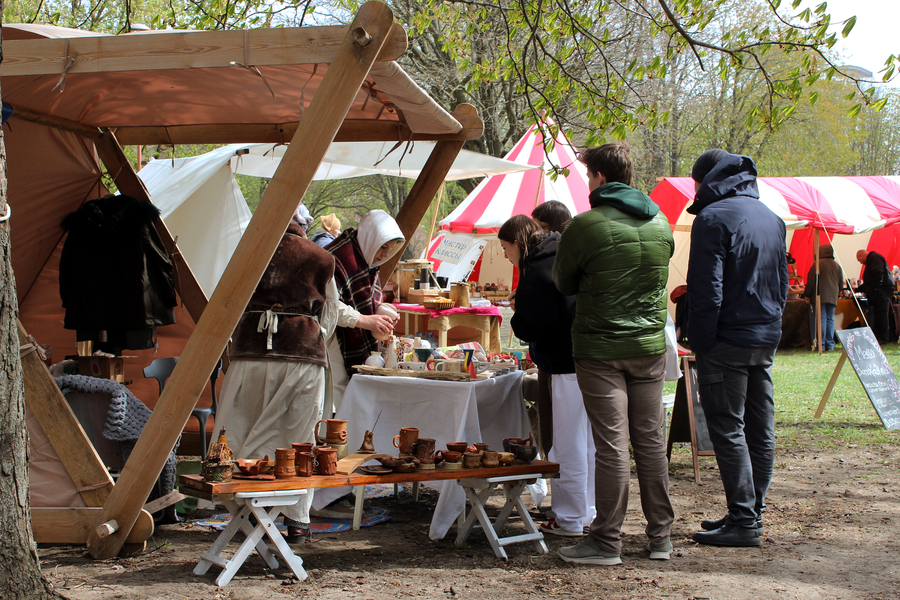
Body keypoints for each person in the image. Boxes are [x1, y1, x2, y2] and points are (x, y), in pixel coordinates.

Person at [215, 204, 392, 539]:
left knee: (238, 424)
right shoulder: (321, 258)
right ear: (304, 226)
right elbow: (326, 315)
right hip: (301, 356)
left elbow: (229, 300)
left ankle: (245, 507)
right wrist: (309, 335)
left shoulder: (248, 252)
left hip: (249, 353)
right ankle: (296, 519)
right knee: (298, 437)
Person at [552, 142, 675, 565]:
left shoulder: (585, 226)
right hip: (648, 347)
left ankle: (606, 542)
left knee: (612, 446)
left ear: (600, 177)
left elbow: (564, 283)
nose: (587, 182)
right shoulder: (661, 222)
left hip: (601, 348)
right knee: (650, 444)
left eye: (588, 175)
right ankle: (660, 538)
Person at [685, 149, 788, 548]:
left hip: (727, 337)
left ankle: (745, 519)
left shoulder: (712, 219)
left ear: (704, 180)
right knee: (760, 427)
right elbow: (781, 281)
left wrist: (702, 339)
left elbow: (705, 288)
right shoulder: (771, 217)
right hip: (763, 333)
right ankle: (750, 510)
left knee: (728, 427)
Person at [499, 214, 594, 537]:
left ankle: (569, 517)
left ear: (517, 242)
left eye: (504, 248)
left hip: (564, 362)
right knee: (586, 443)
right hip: (585, 358)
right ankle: (585, 512)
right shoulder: (558, 252)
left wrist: (517, 316)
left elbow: (537, 323)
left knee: (568, 444)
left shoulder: (536, 268)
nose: (504, 255)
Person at [326, 209, 405, 413]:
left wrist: (381, 312)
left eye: (391, 249)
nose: (386, 255)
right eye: (383, 247)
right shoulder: (339, 257)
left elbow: (368, 298)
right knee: (337, 394)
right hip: (333, 340)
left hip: (349, 335)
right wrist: (364, 320)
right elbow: (328, 304)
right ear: (370, 238)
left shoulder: (366, 257)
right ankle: (333, 441)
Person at [527, 200, 573, 457]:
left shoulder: (561, 257)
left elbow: (550, 313)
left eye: (541, 227)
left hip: (563, 358)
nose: (537, 233)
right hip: (548, 358)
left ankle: (560, 474)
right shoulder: (546, 255)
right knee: (549, 423)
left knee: (561, 428)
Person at [802, 244, 843, 351]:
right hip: (832, 296)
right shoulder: (837, 265)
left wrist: (806, 295)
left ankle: (822, 344)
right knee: (830, 319)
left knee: (821, 319)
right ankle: (830, 345)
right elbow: (841, 284)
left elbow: (811, 282)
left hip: (819, 295)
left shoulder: (817, 264)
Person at [856, 249, 894, 344]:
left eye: (859, 260)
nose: (860, 262)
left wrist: (876, 287)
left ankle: (883, 338)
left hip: (881, 292)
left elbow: (877, 273)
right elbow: (870, 281)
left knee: (881, 315)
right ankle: (887, 337)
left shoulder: (873, 257)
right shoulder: (873, 259)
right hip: (882, 291)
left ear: (861, 255)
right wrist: (858, 289)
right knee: (883, 314)